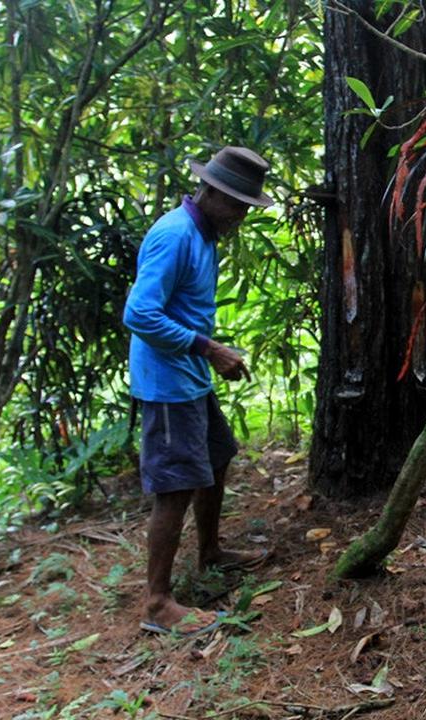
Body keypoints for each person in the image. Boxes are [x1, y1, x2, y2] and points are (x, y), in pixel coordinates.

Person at [123, 146, 274, 636]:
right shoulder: (175, 235)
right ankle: (157, 604)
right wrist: (209, 349)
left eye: (246, 208)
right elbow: (139, 314)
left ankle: (210, 552)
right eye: (234, 204)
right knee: (175, 488)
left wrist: (207, 354)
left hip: (188, 375)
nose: (240, 216)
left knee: (216, 455)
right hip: (167, 384)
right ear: (209, 191)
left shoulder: (203, 235)